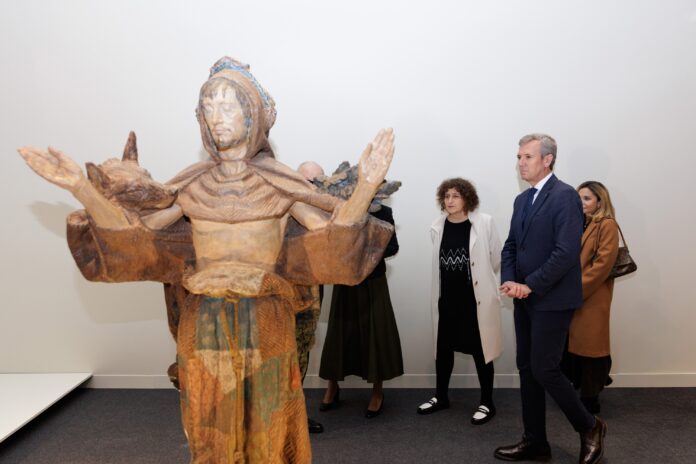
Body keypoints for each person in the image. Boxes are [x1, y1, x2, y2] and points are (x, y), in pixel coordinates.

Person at [18, 57, 396, 464]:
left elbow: (335, 239)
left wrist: (366, 185)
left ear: (252, 115)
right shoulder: (191, 184)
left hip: (265, 317)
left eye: (228, 106)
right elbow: (134, 238)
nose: (217, 117)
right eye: (208, 107)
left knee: (267, 423)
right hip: (203, 320)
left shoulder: (280, 183)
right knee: (207, 424)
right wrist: (80, 187)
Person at [495, 134, 607, 464]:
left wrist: (529, 285)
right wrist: (510, 280)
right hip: (524, 298)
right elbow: (511, 246)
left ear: (547, 160)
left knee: (544, 368)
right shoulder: (522, 200)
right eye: (518, 157)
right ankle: (535, 442)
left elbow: (566, 253)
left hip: (553, 299)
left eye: (527, 157)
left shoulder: (565, 196)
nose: (520, 163)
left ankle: (590, 427)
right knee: (527, 369)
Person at [416, 178, 503, 425]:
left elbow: (496, 258)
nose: (450, 200)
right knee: (443, 349)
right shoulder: (438, 226)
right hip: (447, 300)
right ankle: (441, 396)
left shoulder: (484, 223)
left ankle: (487, 402)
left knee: (481, 350)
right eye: (446, 196)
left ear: (467, 198)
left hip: (474, 301)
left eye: (455, 195)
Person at [318, 202, 403, 418]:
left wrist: (365, 251)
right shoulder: (341, 208)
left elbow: (393, 246)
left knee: (376, 333)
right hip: (345, 278)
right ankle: (332, 387)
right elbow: (329, 241)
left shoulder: (384, 212)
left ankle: (377, 392)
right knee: (339, 333)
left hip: (373, 280)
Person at [562, 181, 619, 414]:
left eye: (586, 198)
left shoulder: (607, 224)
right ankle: (582, 389)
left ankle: (590, 398)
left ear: (600, 201)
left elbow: (602, 265)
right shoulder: (580, 223)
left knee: (592, 349)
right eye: (579, 198)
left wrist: (575, 289)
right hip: (575, 293)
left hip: (593, 296)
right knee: (574, 345)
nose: (581, 202)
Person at [295, 161, 327, 434]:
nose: (313, 186)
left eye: (318, 181)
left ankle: (295, 416)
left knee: (302, 353)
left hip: (313, 294)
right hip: (281, 296)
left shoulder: (325, 211)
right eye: (308, 180)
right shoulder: (281, 207)